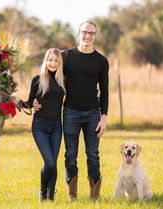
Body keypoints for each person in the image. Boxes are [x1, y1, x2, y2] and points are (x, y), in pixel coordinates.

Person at [34, 21, 109, 201]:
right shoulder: (66, 56)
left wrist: (104, 117)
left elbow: (105, 90)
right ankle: (72, 195)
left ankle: (94, 196)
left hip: (93, 113)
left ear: (95, 36)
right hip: (70, 113)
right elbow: (49, 75)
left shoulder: (101, 61)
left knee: (92, 154)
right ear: (79, 33)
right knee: (70, 155)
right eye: (84, 32)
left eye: (91, 33)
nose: (87, 36)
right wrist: (36, 97)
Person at [17, 48, 66, 202]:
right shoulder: (38, 80)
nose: (53, 63)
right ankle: (42, 191)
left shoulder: (63, 81)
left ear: (59, 63)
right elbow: (29, 103)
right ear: (46, 61)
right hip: (40, 125)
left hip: (57, 126)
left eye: (56, 61)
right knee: (50, 163)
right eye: (50, 60)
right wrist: (17, 101)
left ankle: (49, 198)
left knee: (53, 163)